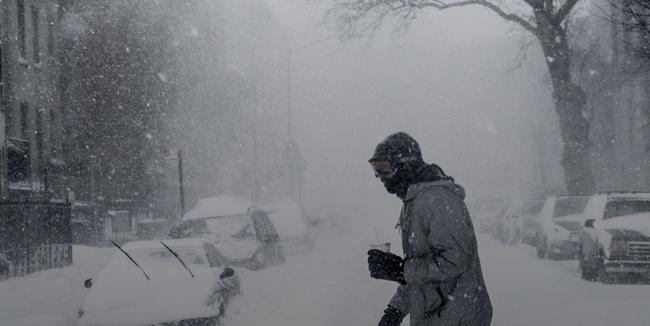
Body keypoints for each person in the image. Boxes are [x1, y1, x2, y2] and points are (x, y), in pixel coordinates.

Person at [367, 132, 492, 326]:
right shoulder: (415, 201)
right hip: (439, 317)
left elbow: (455, 261)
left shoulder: (437, 200)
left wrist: (400, 269)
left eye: (384, 169)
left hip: (457, 318)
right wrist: (395, 309)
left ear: (404, 165)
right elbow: (423, 273)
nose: (379, 177)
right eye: (376, 170)